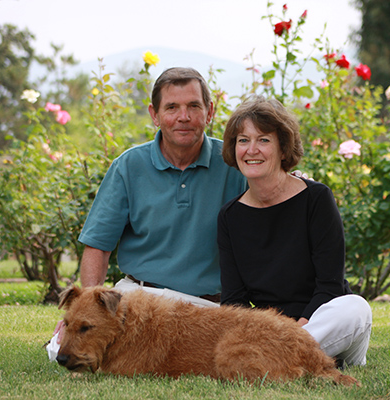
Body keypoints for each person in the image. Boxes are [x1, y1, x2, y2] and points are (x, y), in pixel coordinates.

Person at [49, 67, 247, 352]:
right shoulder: (128, 166)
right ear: (154, 114)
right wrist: (84, 312)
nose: (184, 117)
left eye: (194, 106)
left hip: (205, 305)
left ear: (210, 111)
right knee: (63, 351)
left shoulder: (233, 163)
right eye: (172, 107)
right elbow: (97, 246)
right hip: (138, 298)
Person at [217, 96, 372, 366]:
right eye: (243, 140)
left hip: (325, 321)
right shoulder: (230, 217)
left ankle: (279, 359)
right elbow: (234, 301)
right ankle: (298, 360)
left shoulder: (316, 199)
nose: (251, 149)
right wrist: (266, 334)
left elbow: (330, 286)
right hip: (271, 332)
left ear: (283, 148)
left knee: (356, 308)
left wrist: (293, 333)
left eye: (263, 140)